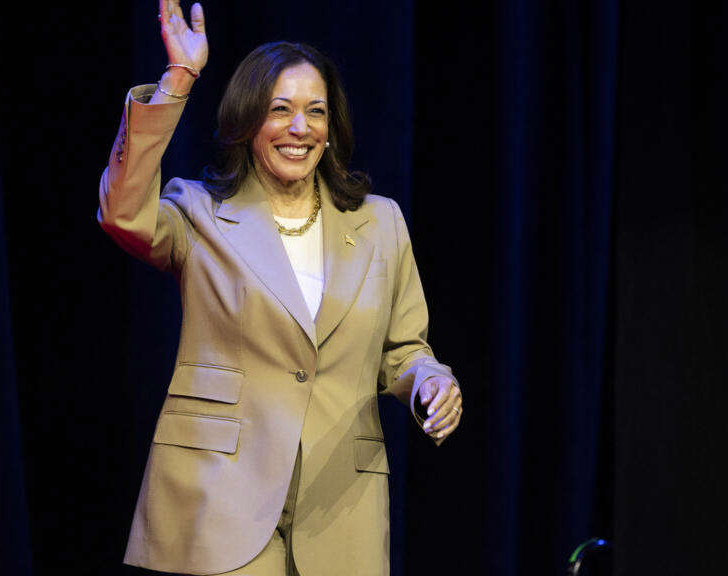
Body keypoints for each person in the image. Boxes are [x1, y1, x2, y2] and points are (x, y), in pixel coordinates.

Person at [97, 2, 463, 574]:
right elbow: (122, 212)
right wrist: (179, 78)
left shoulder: (380, 222)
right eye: (280, 110)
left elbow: (404, 351)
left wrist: (432, 380)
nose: (300, 128)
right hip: (220, 498)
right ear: (248, 122)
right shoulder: (200, 213)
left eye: (315, 111)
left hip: (339, 505)